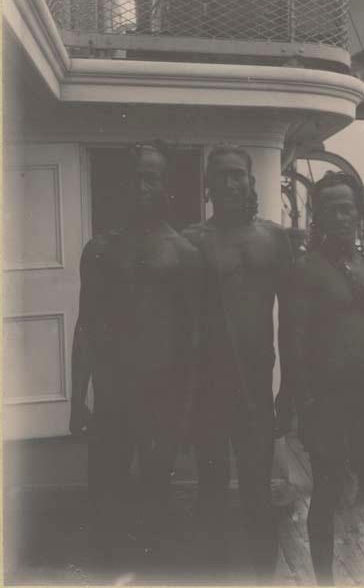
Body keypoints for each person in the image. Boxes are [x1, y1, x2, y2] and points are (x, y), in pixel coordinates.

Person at [69, 141, 200, 572]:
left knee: (156, 504)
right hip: (112, 399)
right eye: (136, 177)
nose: (143, 186)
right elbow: (86, 325)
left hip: (161, 398)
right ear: (123, 184)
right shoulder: (100, 248)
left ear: (165, 185)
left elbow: (190, 340)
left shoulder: (183, 253)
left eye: (152, 177)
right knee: (104, 503)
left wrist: (185, 411)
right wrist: (76, 400)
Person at [182, 144, 294, 583]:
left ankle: (264, 579)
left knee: (257, 493)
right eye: (222, 175)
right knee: (210, 491)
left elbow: (291, 321)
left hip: (257, 390)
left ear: (251, 182)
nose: (231, 183)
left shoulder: (274, 239)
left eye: (238, 175)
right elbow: (181, 328)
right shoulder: (193, 242)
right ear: (208, 186)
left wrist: (291, 390)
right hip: (209, 390)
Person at [289, 171, 364, 586]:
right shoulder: (306, 270)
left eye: (346, 206)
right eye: (330, 207)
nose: (340, 215)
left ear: (360, 213)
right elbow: (296, 345)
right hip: (328, 404)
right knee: (327, 495)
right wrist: (306, 408)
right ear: (317, 215)